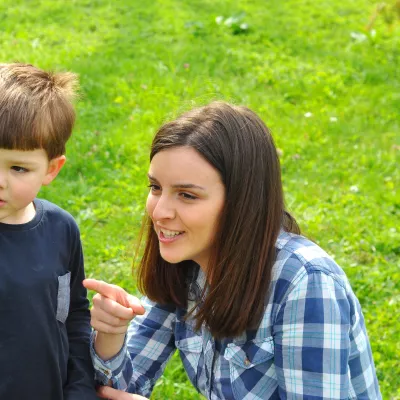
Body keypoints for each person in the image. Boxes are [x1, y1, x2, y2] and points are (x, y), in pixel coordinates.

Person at [84, 102, 381, 399]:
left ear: (243, 202)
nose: (159, 212)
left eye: (187, 195)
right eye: (155, 187)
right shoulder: (186, 261)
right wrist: (112, 334)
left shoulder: (306, 284)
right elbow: (120, 390)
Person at [0, 63, 98, 399]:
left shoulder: (61, 229)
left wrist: (81, 387)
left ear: (51, 169)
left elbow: (74, 316)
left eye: (18, 168)